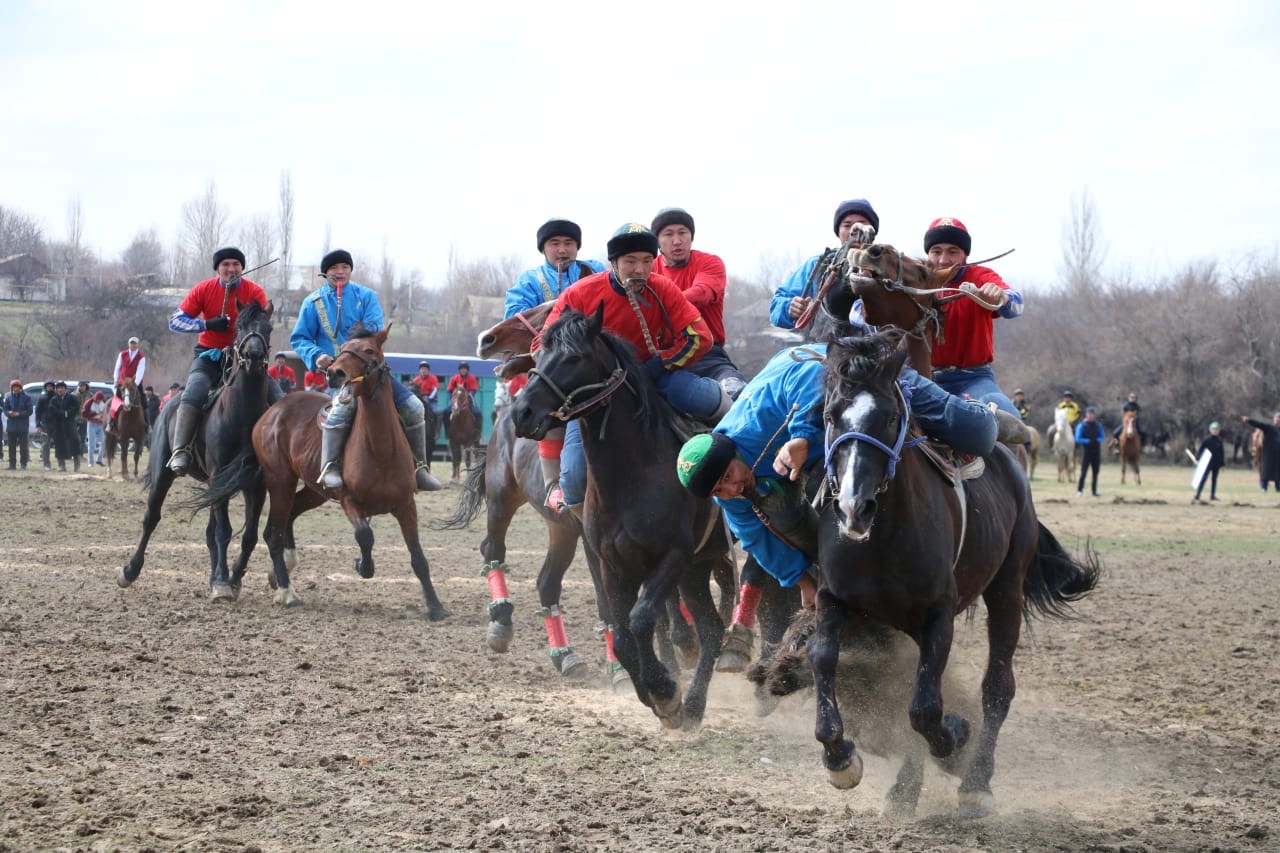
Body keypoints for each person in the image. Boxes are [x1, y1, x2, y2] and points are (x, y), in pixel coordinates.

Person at [675, 342, 999, 613]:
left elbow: (807, 376)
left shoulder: (754, 421)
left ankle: (989, 415)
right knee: (774, 509)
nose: (733, 487)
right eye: (721, 489)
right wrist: (803, 581)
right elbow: (755, 538)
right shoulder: (729, 489)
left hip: (855, 374)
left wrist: (801, 437)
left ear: (732, 452)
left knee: (979, 434)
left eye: (730, 475)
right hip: (835, 433)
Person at [537, 223, 729, 517]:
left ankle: (741, 439)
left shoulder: (663, 288)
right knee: (574, 478)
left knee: (702, 398)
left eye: (647, 261)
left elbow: (700, 337)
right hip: (596, 392)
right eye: (630, 262)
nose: (639, 269)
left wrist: (659, 364)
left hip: (657, 376)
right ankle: (586, 526)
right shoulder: (581, 294)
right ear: (613, 262)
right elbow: (543, 342)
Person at [290, 248, 441, 492]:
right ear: (325, 273)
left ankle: (420, 468)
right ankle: (329, 467)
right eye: (334, 268)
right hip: (339, 375)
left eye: (345, 268)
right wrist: (316, 355)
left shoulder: (366, 296)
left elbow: (373, 328)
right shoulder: (313, 303)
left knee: (414, 407)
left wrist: (355, 344)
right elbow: (300, 338)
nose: (340, 272)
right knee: (340, 412)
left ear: (350, 270)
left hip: (371, 372)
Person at [166, 246, 283, 476]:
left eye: (236, 265)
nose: (231, 269)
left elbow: (260, 323)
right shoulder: (203, 289)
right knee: (194, 392)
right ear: (217, 269)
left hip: (245, 358)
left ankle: (282, 453)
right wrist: (206, 325)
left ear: (242, 268)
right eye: (226, 265)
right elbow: (175, 321)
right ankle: (181, 449)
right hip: (208, 355)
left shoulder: (254, 291)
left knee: (278, 396)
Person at [921, 217, 1024, 417]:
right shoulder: (915, 278)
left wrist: (1001, 296)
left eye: (953, 251)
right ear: (928, 254)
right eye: (936, 251)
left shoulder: (980, 276)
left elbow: (1017, 305)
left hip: (973, 379)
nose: (943, 260)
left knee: (1006, 416)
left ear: (965, 255)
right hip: (922, 379)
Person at [651, 207, 747, 399]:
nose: (677, 241)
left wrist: (658, 309)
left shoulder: (709, 263)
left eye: (683, 233)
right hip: (661, 357)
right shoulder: (648, 269)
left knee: (736, 391)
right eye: (668, 234)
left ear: (691, 236)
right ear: (657, 241)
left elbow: (701, 294)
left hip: (707, 356)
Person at [770, 199, 879, 331]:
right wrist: (789, 308)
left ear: (872, 231)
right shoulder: (818, 265)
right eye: (847, 225)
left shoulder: (891, 266)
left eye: (861, 223)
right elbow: (776, 305)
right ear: (838, 231)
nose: (854, 231)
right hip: (823, 347)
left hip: (878, 346)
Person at [505, 219, 607, 319]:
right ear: (543, 249)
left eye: (568, 243)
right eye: (555, 243)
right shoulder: (530, 280)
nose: (562, 250)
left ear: (577, 247)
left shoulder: (595, 270)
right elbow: (514, 318)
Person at [109, 336, 146, 435]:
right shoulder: (122, 354)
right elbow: (117, 367)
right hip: (122, 383)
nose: (133, 345)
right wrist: (116, 380)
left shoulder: (141, 357)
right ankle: (111, 423)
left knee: (144, 401)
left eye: (135, 343)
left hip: (134, 384)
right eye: (131, 343)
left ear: (138, 345)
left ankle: (146, 425)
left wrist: (135, 384)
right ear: (128, 344)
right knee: (115, 401)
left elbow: (140, 371)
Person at [47, 381, 81, 473]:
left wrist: (67, 413)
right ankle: (61, 465)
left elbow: (76, 408)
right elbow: (52, 410)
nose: (60, 390)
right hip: (58, 425)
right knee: (59, 444)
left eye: (62, 388)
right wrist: (61, 413)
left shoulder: (71, 398)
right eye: (58, 388)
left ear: (65, 389)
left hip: (70, 423)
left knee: (74, 442)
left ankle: (77, 466)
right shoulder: (54, 399)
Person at [1241, 412, 1280, 492]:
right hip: (1268, 453)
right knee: (1266, 471)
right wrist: (1249, 420)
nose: (1278, 419)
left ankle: (1278, 487)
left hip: (1278, 455)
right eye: (1277, 418)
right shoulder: (1269, 428)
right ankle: (1264, 487)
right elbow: (1259, 424)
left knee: (1278, 472)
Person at [1075, 407, 1105, 497]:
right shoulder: (1082, 425)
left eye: (1092, 414)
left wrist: (1098, 440)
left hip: (1096, 451)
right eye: (1089, 414)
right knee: (1084, 471)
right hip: (1086, 451)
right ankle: (1079, 490)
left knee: (1096, 472)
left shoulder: (1098, 425)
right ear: (1086, 415)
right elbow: (1078, 438)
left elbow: (1102, 436)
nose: (1091, 416)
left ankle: (1094, 491)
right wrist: (1087, 441)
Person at [4, 379, 33, 470]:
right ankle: (12, 464)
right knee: (11, 447)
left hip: (22, 425)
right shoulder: (8, 398)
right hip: (11, 425)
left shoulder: (26, 398)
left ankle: (23, 464)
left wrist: (20, 414)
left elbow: (30, 411)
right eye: (14, 387)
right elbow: (5, 409)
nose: (15, 389)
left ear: (20, 388)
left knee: (23, 447)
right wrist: (9, 413)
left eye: (17, 387)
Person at [1193, 422, 1225, 502]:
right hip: (1207, 463)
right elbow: (1201, 450)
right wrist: (1197, 459)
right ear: (1210, 430)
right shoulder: (1207, 440)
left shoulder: (1219, 441)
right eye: (1213, 429)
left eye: (1217, 429)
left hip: (1216, 464)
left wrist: (1222, 464)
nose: (1215, 431)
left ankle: (1212, 495)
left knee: (1214, 479)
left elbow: (1221, 453)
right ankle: (1198, 495)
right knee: (1203, 479)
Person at [83, 390, 109, 467]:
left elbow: (107, 412)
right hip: (92, 424)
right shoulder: (89, 402)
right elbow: (84, 413)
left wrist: (103, 418)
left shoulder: (103, 402)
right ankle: (90, 462)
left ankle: (99, 460)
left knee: (103, 442)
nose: (99, 401)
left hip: (100, 424)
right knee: (91, 443)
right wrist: (95, 413)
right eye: (97, 399)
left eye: (100, 400)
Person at [34, 381, 55, 469]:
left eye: (51, 386)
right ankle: (46, 464)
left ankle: (62, 464)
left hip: (56, 424)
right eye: (48, 386)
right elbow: (37, 412)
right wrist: (38, 424)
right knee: (46, 444)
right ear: (45, 387)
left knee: (60, 444)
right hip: (45, 424)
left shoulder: (57, 397)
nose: (49, 388)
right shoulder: (42, 398)